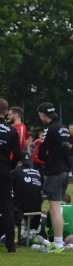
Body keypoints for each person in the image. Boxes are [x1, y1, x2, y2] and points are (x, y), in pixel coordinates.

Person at [37, 102, 71, 253]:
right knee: (56, 206)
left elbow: (41, 153)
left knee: (55, 208)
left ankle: (57, 244)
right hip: (65, 170)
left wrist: (47, 155)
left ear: (43, 114)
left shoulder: (49, 129)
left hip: (54, 171)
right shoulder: (64, 128)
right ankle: (58, 242)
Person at [0, 98, 23, 253]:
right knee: (7, 207)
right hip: (4, 170)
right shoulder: (12, 130)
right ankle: (10, 245)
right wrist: (10, 166)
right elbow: (18, 154)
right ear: (6, 112)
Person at [10, 154, 43, 243]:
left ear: (19, 162)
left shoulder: (15, 172)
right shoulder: (37, 173)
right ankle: (24, 232)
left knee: (9, 204)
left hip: (21, 209)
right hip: (36, 209)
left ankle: (7, 234)